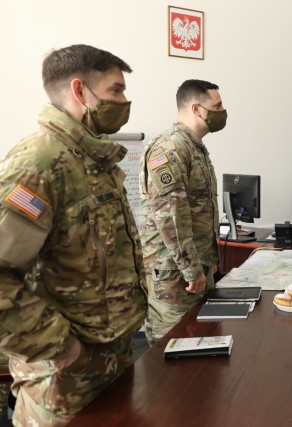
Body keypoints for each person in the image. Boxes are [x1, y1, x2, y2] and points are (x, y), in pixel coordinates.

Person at [0, 44, 147, 426]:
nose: (124, 100)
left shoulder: (91, 159)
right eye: (116, 90)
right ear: (80, 91)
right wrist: (59, 345)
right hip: (63, 380)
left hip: (111, 363)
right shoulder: (39, 163)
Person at [139, 79, 226, 345]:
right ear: (197, 109)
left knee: (197, 348)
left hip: (192, 271)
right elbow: (171, 217)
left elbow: (197, 208)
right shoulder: (171, 148)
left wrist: (207, 261)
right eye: (218, 105)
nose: (223, 111)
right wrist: (191, 269)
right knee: (171, 349)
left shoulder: (193, 146)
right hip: (174, 276)